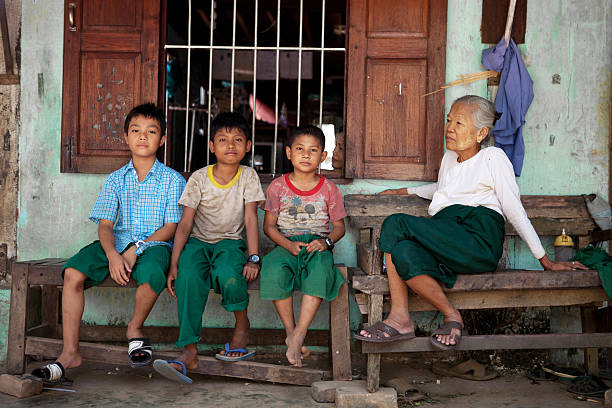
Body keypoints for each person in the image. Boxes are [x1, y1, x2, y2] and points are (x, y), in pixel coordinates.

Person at [355, 95, 587, 349]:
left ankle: (398, 316)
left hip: (477, 240)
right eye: (449, 120)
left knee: (395, 223)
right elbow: (445, 190)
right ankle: (449, 316)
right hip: (449, 238)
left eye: (459, 123)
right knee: (402, 251)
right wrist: (404, 192)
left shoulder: (493, 158)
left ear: (481, 133)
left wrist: (546, 261)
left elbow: (514, 209)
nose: (449, 128)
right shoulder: (448, 160)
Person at [32, 103, 186, 382]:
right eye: (136, 130)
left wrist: (135, 250)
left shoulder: (172, 180)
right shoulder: (115, 180)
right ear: (125, 137)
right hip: (115, 243)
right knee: (73, 272)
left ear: (162, 139)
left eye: (151, 131)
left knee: (153, 274)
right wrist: (114, 254)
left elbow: (171, 227)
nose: (143, 136)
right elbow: (105, 225)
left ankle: (135, 329)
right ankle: (70, 352)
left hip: (154, 245)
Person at [153, 112, 265, 384]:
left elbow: (251, 218)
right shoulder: (199, 178)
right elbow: (185, 223)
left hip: (230, 243)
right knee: (188, 279)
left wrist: (253, 257)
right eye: (223, 140)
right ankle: (189, 350)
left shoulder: (248, 176)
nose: (231, 145)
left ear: (248, 146)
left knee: (229, 273)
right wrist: (175, 263)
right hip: (198, 243)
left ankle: (241, 323)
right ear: (211, 145)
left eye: (238, 140)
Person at [260, 125, 347, 367]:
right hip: (286, 244)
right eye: (300, 149)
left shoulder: (330, 189)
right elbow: (269, 227)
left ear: (323, 156)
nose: (306, 155)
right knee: (273, 268)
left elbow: (339, 228)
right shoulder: (278, 187)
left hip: (316, 246)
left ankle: (299, 334)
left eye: (313, 150)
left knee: (321, 271)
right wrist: (287, 246)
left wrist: (325, 242)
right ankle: (291, 333)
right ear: (288, 153)